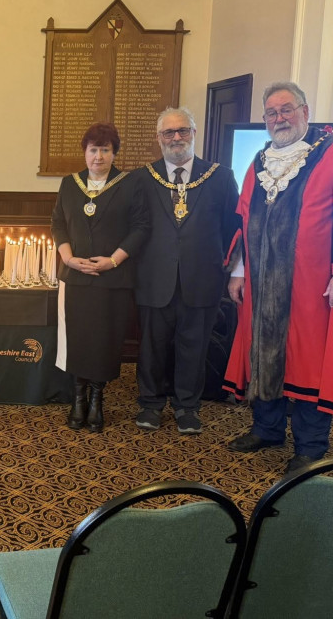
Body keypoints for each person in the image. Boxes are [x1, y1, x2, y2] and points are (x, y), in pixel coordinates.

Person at [224, 82, 333, 474]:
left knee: (311, 363)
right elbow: (244, 218)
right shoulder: (260, 161)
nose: (279, 118)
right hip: (263, 286)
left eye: (287, 109)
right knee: (263, 354)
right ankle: (267, 430)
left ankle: (311, 446)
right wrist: (239, 271)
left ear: (305, 112)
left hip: (313, 289)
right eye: (272, 113)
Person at [132, 107, 240, 434]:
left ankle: (187, 407)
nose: (176, 137)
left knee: (194, 347)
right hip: (154, 279)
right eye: (169, 132)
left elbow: (233, 229)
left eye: (182, 131)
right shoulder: (142, 178)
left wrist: (231, 270)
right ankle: (150, 404)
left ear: (194, 133)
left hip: (202, 278)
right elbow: (133, 228)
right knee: (151, 348)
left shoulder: (221, 177)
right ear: (159, 138)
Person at [52, 122, 149, 432]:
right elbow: (58, 224)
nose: (98, 156)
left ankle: (97, 399)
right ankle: (78, 398)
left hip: (112, 280)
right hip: (76, 278)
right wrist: (68, 258)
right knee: (78, 339)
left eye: (105, 150)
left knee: (104, 341)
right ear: (85, 152)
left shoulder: (130, 184)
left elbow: (141, 228)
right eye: (93, 150)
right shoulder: (69, 184)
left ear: (114, 153)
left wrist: (112, 261)